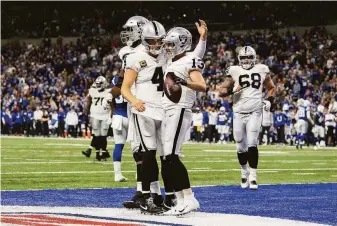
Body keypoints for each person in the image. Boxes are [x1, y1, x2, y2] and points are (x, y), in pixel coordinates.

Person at [161, 26, 206, 215]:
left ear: (181, 44)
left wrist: (184, 82)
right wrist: (203, 38)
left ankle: (189, 197)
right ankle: (180, 201)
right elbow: (197, 52)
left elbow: (202, 85)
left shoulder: (188, 60)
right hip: (169, 110)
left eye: (171, 44)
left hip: (180, 109)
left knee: (172, 156)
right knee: (167, 158)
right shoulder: (175, 61)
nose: (168, 48)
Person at [220, 46, 276, 190]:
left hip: (255, 111)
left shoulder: (262, 69)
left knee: (252, 142)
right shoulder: (234, 70)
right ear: (239, 58)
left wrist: (270, 100)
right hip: (238, 111)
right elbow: (221, 90)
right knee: (240, 145)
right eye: (243, 57)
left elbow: (271, 87)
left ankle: (253, 177)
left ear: (254, 57)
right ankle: (244, 171)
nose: (246, 60)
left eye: (249, 57)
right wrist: (232, 90)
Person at [84, 76, 113, 161]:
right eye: (97, 83)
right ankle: (98, 154)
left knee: (103, 135)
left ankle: (103, 153)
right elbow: (89, 102)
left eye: (99, 84)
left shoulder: (109, 91)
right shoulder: (92, 91)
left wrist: (112, 115)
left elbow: (112, 104)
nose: (98, 85)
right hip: (94, 114)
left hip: (105, 115)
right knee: (97, 135)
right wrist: (86, 113)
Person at [111, 75, 128, 182]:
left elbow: (110, 104)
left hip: (117, 117)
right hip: (130, 118)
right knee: (138, 146)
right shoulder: (130, 88)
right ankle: (139, 174)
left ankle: (117, 175)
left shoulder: (113, 91)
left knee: (118, 145)